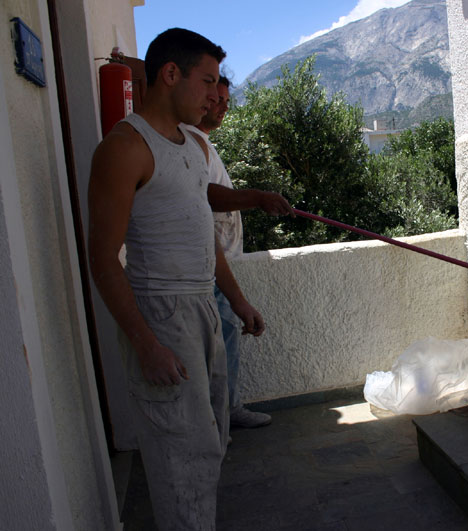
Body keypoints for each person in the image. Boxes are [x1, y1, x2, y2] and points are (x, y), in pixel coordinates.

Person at [88, 28, 263, 530]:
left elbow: (202, 235)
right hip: (162, 314)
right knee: (180, 455)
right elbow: (102, 259)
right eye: (207, 81)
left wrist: (238, 301)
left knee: (210, 442)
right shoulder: (125, 148)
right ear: (170, 74)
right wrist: (146, 345)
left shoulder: (191, 146)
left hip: (202, 308)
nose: (214, 95)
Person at [185, 76, 293, 429]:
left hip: (219, 266)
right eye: (216, 99)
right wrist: (258, 198)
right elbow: (205, 194)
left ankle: (226, 414)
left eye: (226, 101)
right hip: (208, 270)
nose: (222, 107)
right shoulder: (189, 140)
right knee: (218, 346)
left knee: (225, 341)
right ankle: (222, 419)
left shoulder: (201, 142)